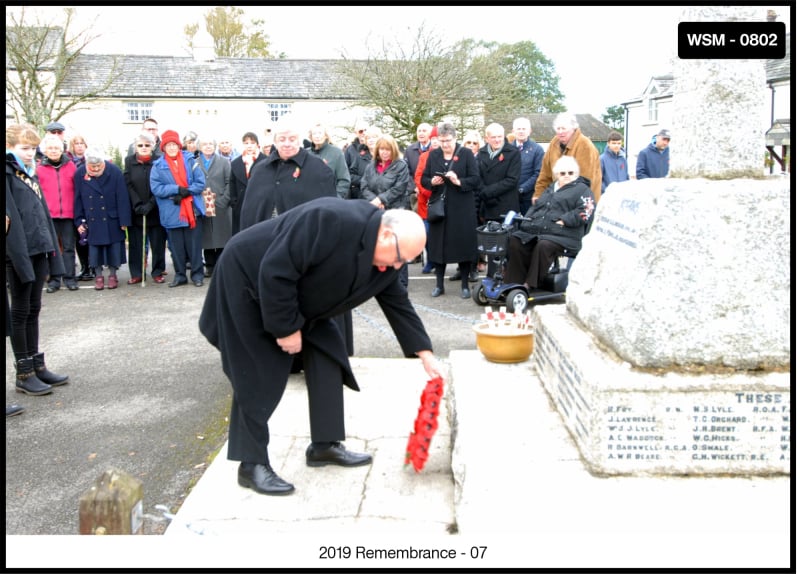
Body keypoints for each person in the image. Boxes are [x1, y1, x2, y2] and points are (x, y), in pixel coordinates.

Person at [198, 196, 443, 495]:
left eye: (405, 261)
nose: (397, 266)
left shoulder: (388, 256)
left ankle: (324, 445)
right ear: (386, 234)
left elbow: (397, 301)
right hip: (248, 280)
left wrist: (424, 352)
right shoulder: (329, 220)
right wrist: (287, 329)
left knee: (328, 354)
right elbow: (276, 270)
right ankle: (251, 464)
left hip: (298, 294)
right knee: (257, 372)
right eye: (399, 257)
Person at [6, 123, 68, 396]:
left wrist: (52, 252)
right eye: (24, 149)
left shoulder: (28, 173)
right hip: (18, 252)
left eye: (33, 148)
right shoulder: (9, 173)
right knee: (19, 312)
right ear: (10, 148)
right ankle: (24, 372)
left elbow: (41, 214)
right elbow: (13, 222)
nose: (30, 153)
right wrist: (20, 258)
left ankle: (37, 364)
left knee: (34, 308)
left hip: (38, 247)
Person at [505, 156, 594, 290]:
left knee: (544, 245)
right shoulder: (551, 188)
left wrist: (565, 220)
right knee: (516, 240)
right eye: (562, 173)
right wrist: (527, 221)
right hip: (543, 231)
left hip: (565, 234)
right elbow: (536, 207)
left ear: (576, 174)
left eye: (571, 173)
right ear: (557, 174)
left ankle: (530, 283)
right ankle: (514, 281)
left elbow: (587, 211)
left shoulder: (582, 189)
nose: (566, 176)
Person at [420, 123, 481, 299]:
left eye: (448, 140)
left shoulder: (466, 154)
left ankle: (464, 285)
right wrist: (432, 181)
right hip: (440, 206)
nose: (445, 144)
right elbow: (424, 179)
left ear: (455, 138)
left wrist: (459, 181)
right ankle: (439, 285)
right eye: (442, 141)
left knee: (462, 245)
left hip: (462, 206)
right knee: (438, 246)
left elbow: (476, 180)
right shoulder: (433, 155)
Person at [241, 119, 337, 228]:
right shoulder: (260, 170)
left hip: (302, 239)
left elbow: (328, 211)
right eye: (282, 139)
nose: (287, 144)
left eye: (292, 139)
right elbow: (249, 212)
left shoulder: (318, 169)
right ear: (275, 142)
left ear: (299, 140)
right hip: (266, 238)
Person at [150, 130, 207, 287]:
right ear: (163, 147)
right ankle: (180, 275)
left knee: (194, 246)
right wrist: (176, 189)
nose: (172, 148)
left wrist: (186, 192)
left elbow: (200, 183)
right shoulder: (158, 166)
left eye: (174, 144)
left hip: (192, 210)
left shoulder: (190, 160)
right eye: (168, 145)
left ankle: (197, 275)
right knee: (176, 248)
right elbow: (156, 188)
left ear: (179, 145)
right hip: (172, 212)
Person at [74, 147, 132, 290]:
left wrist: (124, 220)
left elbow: (122, 197)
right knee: (95, 249)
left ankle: (113, 275)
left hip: (111, 216)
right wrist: (79, 219)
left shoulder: (115, 171)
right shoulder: (80, 173)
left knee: (113, 247)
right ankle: (98, 275)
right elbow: (78, 198)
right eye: (92, 166)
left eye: (98, 166)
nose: (95, 169)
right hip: (91, 217)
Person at [360, 134, 411, 287]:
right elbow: (364, 186)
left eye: (388, 149)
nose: (384, 152)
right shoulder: (371, 166)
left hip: (395, 211)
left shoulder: (400, 165)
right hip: (376, 212)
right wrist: (375, 200)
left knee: (398, 247)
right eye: (382, 149)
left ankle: (401, 282)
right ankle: (382, 281)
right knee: (380, 246)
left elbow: (400, 187)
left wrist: (381, 199)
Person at [474, 122, 521, 280]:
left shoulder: (513, 153)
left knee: (506, 244)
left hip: (506, 205)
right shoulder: (480, 154)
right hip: (487, 205)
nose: (497, 140)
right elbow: (477, 177)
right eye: (493, 137)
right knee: (491, 244)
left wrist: (488, 192)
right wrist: (484, 193)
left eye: (499, 137)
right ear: (487, 138)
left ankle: (508, 276)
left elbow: (512, 180)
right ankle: (491, 276)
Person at [124, 131, 167, 284]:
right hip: (137, 210)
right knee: (136, 244)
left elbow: (162, 184)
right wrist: (137, 204)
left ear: (152, 146)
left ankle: (157, 271)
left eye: (147, 145)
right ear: (135, 147)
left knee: (157, 243)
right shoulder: (129, 161)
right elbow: (128, 184)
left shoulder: (159, 161)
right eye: (140, 145)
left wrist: (150, 203)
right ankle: (137, 273)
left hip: (155, 208)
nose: (143, 148)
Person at [38, 133, 79, 292]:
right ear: (45, 151)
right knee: (52, 249)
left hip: (68, 214)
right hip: (49, 215)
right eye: (50, 148)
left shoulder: (71, 166)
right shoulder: (40, 169)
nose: (54, 151)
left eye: (56, 148)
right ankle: (54, 280)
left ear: (62, 149)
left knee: (69, 247)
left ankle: (70, 278)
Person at [534, 112, 602, 204]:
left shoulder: (585, 146)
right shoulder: (554, 143)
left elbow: (585, 181)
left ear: (573, 128)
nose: (561, 132)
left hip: (581, 202)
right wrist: (538, 194)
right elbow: (545, 174)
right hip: (558, 200)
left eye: (564, 128)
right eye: (558, 129)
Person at [196, 135, 233, 277]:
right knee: (208, 237)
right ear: (200, 147)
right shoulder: (195, 162)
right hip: (203, 205)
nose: (208, 146)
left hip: (221, 204)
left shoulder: (224, 162)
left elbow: (230, 181)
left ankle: (222, 265)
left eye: (211, 144)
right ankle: (210, 266)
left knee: (223, 236)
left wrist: (224, 200)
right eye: (205, 144)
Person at [413, 125, 441, 274]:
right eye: (433, 139)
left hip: (443, 202)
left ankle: (439, 261)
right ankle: (431, 260)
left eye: (438, 138)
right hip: (426, 202)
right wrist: (426, 191)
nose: (435, 141)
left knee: (441, 235)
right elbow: (418, 177)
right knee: (427, 234)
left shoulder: (447, 155)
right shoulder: (424, 157)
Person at [229, 132, 266, 235]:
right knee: (241, 234)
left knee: (259, 233)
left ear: (257, 144)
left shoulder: (266, 161)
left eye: (252, 143)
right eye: (246, 143)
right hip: (240, 204)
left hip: (260, 204)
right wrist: (234, 201)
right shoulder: (236, 163)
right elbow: (232, 183)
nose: (249, 146)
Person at [68, 134, 93, 281]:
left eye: (81, 143)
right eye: (76, 143)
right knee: (80, 237)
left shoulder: (92, 160)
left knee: (91, 236)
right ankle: (84, 266)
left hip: (90, 203)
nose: (79, 146)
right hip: (76, 202)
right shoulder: (70, 163)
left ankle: (94, 265)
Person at [308, 121, 350, 199]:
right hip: (309, 201)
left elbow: (344, 179)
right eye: (314, 133)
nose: (317, 136)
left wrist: (337, 198)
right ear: (311, 136)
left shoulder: (336, 153)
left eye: (320, 133)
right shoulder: (306, 154)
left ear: (326, 136)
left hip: (330, 200)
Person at [512, 117, 545, 214]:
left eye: (524, 129)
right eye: (518, 129)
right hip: (509, 197)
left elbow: (538, 173)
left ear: (529, 131)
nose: (521, 131)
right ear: (513, 131)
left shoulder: (537, 149)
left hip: (528, 198)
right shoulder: (507, 149)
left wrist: (522, 188)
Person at [403, 122, 433, 214]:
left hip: (430, 192)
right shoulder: (409, 150)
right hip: (414, 192)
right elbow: (406, 171)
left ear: (430, 133)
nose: (421, 133)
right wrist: (414, 187)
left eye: (424, 131)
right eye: (419, 131)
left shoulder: (435, 150)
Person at [346, 123, 378, 199]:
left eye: (374, 137)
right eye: (361, 131)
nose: (363, 132)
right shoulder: (357, 155)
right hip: (362, 195)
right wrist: (365, 181)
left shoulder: (387, 155)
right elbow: (348, 174)